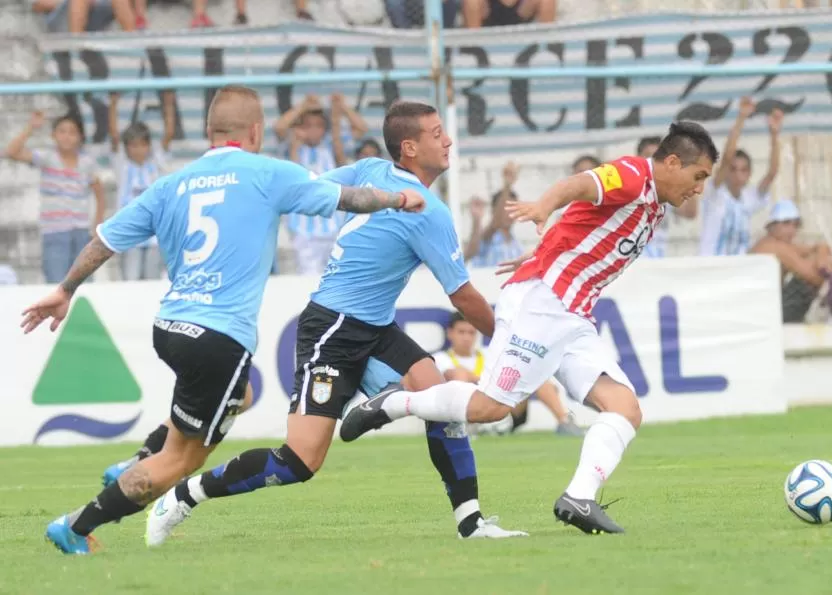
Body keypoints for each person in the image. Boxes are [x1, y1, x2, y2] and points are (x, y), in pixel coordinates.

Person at [26, 85, 425, 555]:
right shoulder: (267, 173)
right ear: (256, 131)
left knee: (242, 393)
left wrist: (66, 288)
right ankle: (76, 525)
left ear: (209, 132)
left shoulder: (172, 183)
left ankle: (136, 459)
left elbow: (105, 240)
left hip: (171, 327)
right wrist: (398, 200)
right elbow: (350, 198)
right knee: (180, 462)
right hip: (219, 337)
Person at [146, 101, 525, 546]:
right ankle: (185, 495)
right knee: (299, 462)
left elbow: (310, 191)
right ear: (409, 147)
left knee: (437, 396)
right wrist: (507, 341)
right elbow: (462, 296)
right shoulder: (428, 213)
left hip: (376, 327)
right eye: (437, 133)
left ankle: (471, 522)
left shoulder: (368, 170)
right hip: (332, 330)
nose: (448, 140)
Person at [339, 121, 719, 535]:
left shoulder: (655, 202)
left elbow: (584, 219)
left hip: (573, 316)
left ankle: (579, 497)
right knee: (490, 408)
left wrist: (544, 250)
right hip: (543, 303)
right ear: (672, 162)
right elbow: (580, 185)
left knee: (625, 408)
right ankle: (393, 403)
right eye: (697, 177)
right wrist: (542, 207)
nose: (698, 188)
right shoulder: (633, 175)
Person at [435, 311, 584, 436]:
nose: (466, 338)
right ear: (450, 333)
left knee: (533, 374)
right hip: (467, 414)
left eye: (471, 332)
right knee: (459, 375)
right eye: (461, 332)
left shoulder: (488, 353)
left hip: (501, 410)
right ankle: (462, 427)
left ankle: (565, 422)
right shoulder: (440, 358)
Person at [5, 111, 106, 284]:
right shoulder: (47, 158)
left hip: (81, 234)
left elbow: (100, 194)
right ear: (53, 135)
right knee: (56, 284)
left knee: (84, 285)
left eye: (72, 132)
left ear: (80, 137)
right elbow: (11, 151)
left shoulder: (87, 163)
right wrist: (31, 127)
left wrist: (96, 225)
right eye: (62, 131)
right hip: (54, 233)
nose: (66, 136)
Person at [684, 97, 782, 256]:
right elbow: (727, 157)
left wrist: (774, 135)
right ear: (727, 172)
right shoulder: (715, 193)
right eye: (733, 169)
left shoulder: (749, 197)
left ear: (750, 173)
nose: (738, 175)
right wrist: (741, 118)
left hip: (737, 270)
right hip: (711, 267)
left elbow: (772, 173)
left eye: (744, 170)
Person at [108, 91, 176, 281]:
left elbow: (169, 134)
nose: (138, 150)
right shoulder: (122, 165)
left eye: (142, 145)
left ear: (149, 145)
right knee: (130, 280)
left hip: (154, 236)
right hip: (130, 235)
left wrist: (168, 105)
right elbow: (114, 136)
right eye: (133, 145)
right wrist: (113, 105)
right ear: (127, 147)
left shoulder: (156, 164)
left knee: (151, 280)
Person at [749, 200, 832, 323]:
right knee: (818, 270)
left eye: (795, 225)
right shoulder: (774, 247)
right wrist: (824, 267)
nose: (791, 230)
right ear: (772, 226)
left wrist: (822, 258)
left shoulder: (775, 243)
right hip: (764, 311)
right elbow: (813, 276)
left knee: (823, 262)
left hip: (763, 307)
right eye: (786, 224)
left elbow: (818, 247)